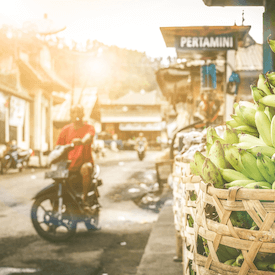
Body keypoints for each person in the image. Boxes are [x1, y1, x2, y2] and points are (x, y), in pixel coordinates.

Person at [55, 104, 95, 213]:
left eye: (78, 112)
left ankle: (84, 198)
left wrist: (81, 141)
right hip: (69, 165)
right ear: (70, 115)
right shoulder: (65, 129)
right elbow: (58, 146)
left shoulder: (89, 127)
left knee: (86, 168)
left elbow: (89, 137)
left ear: (82, 114)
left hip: (84, 163)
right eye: (73, 112)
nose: (76, 114)